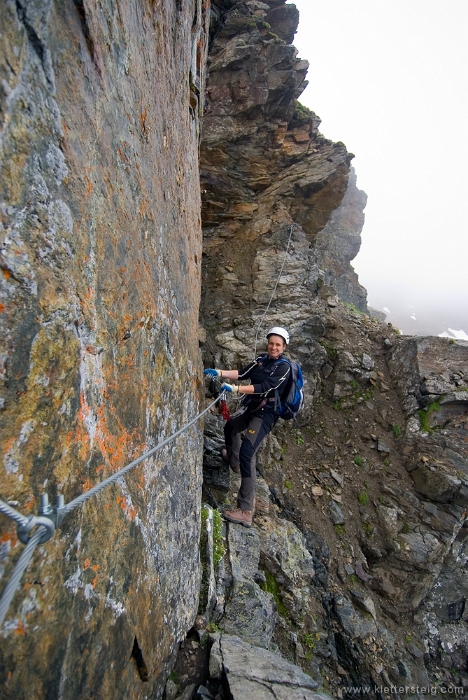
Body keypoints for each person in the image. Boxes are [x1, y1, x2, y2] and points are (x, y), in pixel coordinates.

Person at [204, 327, 291, 528]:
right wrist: (219, 372)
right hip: (252, 406)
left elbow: (265, 387)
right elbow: (243, 373)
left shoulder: (283, 367)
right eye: (271, 343)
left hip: (266, 414)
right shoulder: (261, 360)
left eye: (278, 344)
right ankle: (233, 461)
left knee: (248, 452)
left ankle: (245, 511)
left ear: (284, 347)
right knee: (231, 427)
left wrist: (235, 389)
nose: (274, 347)